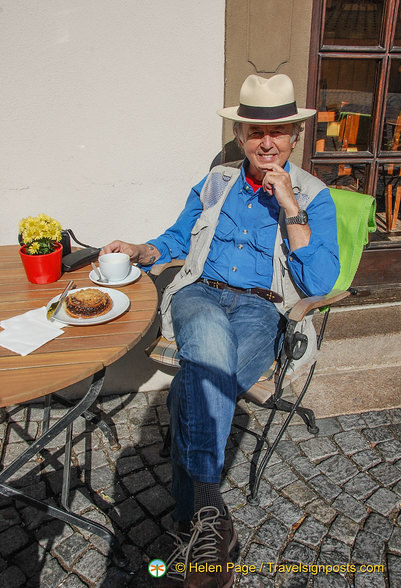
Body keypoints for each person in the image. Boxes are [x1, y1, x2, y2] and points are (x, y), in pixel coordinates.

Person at [102, 73, 340, 587]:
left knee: (197, 381)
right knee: (208, 341)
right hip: (199, 294)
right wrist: (143, 253)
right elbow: (175, 236)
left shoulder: (315, 197)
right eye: (256, 131)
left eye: (277, 132)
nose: (267, 142)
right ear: (240, 136)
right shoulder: (215, 183)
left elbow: (320, 281)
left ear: (295, 137)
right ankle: (213, 513)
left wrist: (291, 208)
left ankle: (196, 522)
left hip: (262, 309)